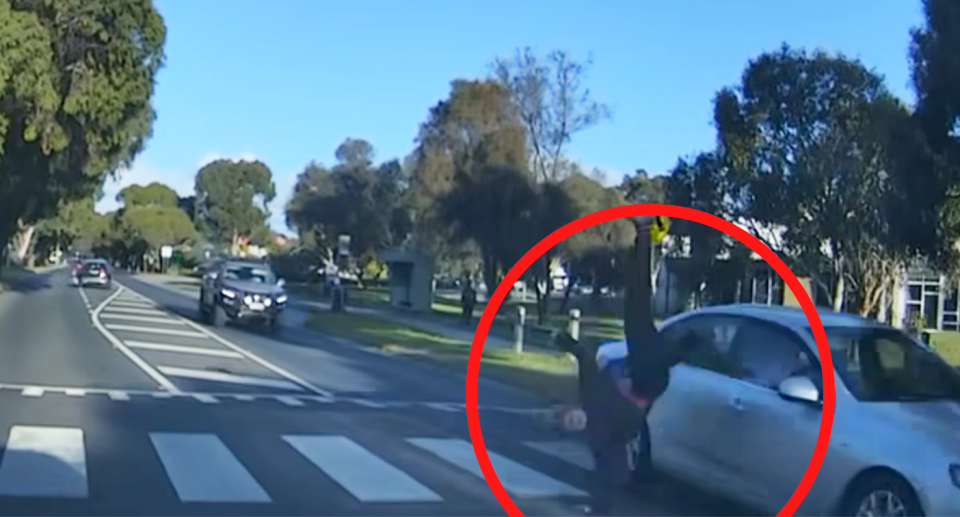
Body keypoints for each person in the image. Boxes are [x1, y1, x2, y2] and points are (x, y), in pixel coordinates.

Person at [553, 216, 689, 516]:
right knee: (642, 327)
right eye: (573, 424)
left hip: (643, 364)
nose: (575, 421)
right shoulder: (608, 438)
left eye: (570, 418)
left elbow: (587, 362)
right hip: (648, 379)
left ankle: (643, 236)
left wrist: (570, 344)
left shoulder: (590, 396)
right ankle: (686, 346)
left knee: (636, 303)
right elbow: (618, 457)